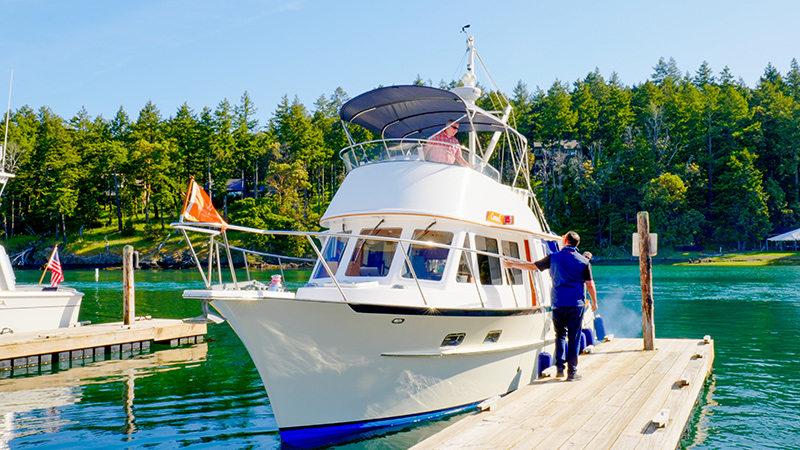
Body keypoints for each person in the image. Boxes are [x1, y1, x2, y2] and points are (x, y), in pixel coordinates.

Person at [502, 231, 598, 381]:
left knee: (560, 335)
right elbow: (590, 285)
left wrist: (511, 264)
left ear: (565, 240)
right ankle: (572, 373)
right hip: (576, 304)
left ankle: (560, 369)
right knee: (574, 338)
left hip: (558, 302)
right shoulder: (584, 261)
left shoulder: (554, 257)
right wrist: (594, 302)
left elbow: (532, 266)